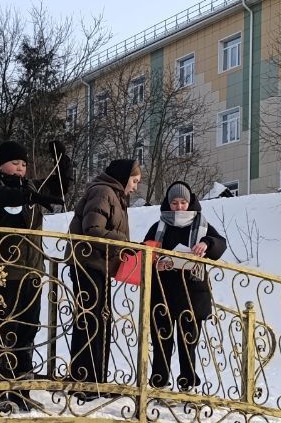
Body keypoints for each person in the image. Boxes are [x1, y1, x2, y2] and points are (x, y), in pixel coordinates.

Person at [0, 140, 70, 412]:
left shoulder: (28, 186)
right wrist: (26, 195)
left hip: (31, 271)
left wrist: (62, 161)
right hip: (2, 272)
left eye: (24, 165)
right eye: (15, 163)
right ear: (0, 164)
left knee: (28, 329)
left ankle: (21, 388)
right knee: (4, 328)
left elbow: (58, 187)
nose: (20, 169)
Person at [142, 181, 227, 392]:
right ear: (168, 204)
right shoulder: (159, 226)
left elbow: (220, 244)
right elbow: (145, 251)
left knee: (188, 340)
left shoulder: (202, 224)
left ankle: (187, 381)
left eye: (183, 202)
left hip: (192, 291)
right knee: (161, 337)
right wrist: (156, 263)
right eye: (174, 202)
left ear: (190, 202)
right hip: (163, 291)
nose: (179, 207)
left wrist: (206, 243)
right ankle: (159, 380)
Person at [66, 158, 141, 397]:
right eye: (134, 181)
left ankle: (95, 380)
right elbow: (93, 230)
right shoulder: (103, 192)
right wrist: (124, 243)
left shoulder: (114, 195)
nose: (135, 187)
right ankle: (85, 382)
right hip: (88, 264)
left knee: (99, 320)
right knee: (91, 321)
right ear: (123, 177)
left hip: (99, 264)